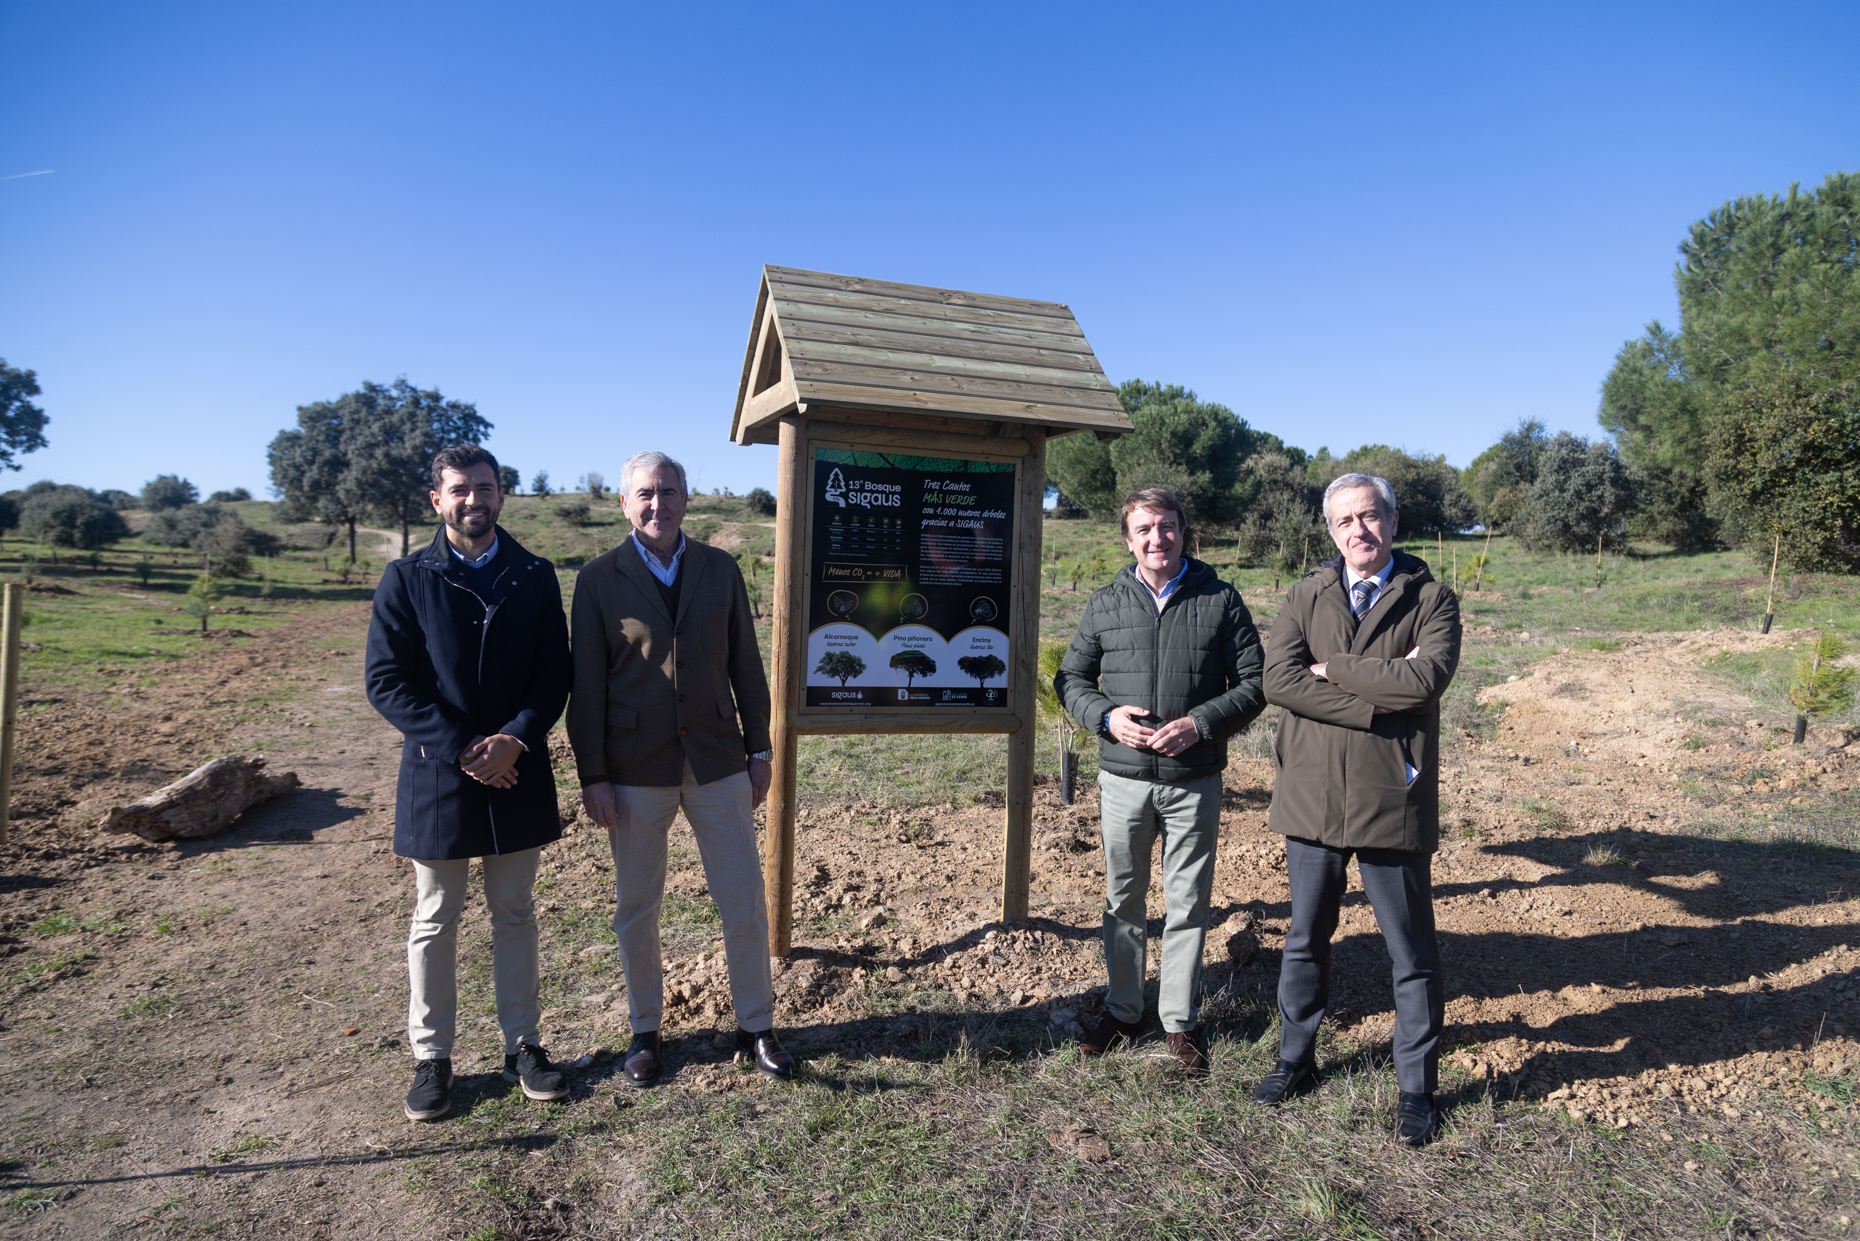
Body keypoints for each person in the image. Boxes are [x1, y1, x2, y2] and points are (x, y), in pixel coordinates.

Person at [566, 450, 794, 1088]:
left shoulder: (720, 570)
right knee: (638, 905)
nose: (656, 504)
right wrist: (593, 775)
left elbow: (746, 666)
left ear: (685, 499)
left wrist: (759, 749)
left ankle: (757, 1024)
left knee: (742, 900)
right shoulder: (598, 579)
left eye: (667, 492)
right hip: (635, 767)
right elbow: (585, 687)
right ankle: (646, 1031)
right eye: (644, 494)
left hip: (718, 760)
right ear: (624, 504)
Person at [365, 445, 574, 1122]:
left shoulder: (535, 575)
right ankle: (433, 1057)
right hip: (439, 776)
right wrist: (463, 747)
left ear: (501, 495)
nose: (472, 500)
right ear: (437, 500)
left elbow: (555, 672)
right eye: (459, 489)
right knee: (435, 918)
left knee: (515, 913)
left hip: (517, 769)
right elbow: (386, 681)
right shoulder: (405, 578)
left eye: (484, 488)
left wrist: (515, 737)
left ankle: (524, 1046)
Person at [1254, 471, 1461, 1146]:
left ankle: (1416, 1089)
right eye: (1345, 521)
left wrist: (1334, 668)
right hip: (1310, 792)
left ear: (1393, 522)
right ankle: (1295, 1058)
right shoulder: (1307, 591)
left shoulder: (1431, 597)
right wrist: (1378, 697)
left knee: (1411, 952)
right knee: (1306, 937)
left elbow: (1425, 678)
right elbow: (1277, 678)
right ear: (1331, 530)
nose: (1358, 531)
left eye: (1369, 517)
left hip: (1387, 794)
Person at [1055, 487, 1266, 1076]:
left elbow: (1254, 683)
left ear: (1183, 532)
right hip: (1123, 779)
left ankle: (1179, 1019)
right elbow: (1070, 677)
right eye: (1144, 529)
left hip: (1192, 777)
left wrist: (1200, 725)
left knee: (1187, 901)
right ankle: (1124, 1009)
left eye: (1167, 527)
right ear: (1129, 538)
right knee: (1123, 897)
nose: (1157, 539)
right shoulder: (1105, 603)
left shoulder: (1220, 599)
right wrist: (1105, 717)